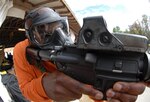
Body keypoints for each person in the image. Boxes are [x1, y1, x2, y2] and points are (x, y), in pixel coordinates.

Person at [13, 7, 146, 102]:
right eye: (43, 33)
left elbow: (87, 84)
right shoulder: (21, 49)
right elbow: (25, 88)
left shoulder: (70, 48)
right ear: (30, 36)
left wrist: (103, 88)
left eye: (59, 28)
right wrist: (42, 87)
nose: (58, 36)